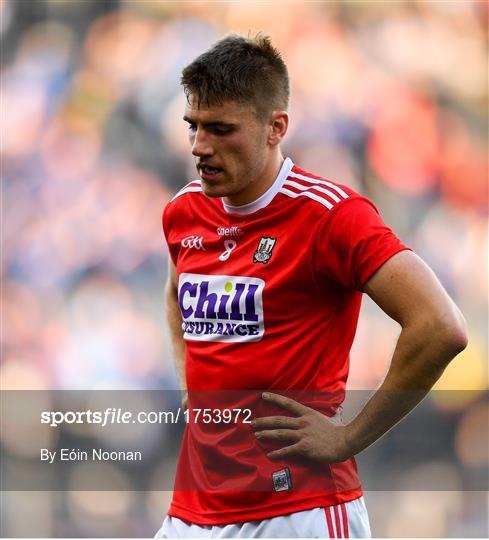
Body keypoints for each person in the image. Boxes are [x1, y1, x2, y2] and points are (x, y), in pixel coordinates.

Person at [155, 34, 468, 538]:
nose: (199, 146)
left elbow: (441, 326)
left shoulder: (331, 216)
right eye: (193, 126)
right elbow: (177, 294)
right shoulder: (184, 211)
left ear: (276, 127)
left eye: (221, 129)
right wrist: (189, 383)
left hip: (297, 513)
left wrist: (348, 438)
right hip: (193, 512)